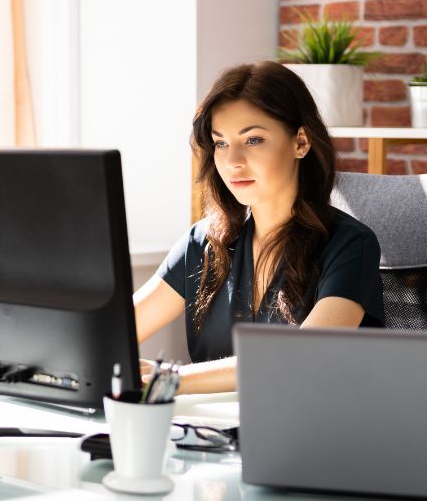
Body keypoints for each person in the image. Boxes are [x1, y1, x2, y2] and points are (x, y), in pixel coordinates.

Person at [133, 61, 385, 394]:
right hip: (209, 434)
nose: (233, 161)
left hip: (313, 434)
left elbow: (301, 359)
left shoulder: (351, 245)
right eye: (220, 143)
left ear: (301, 142)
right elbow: (112, 332)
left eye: (253, 140)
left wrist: (169, 378)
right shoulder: (203, 242)